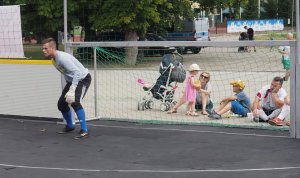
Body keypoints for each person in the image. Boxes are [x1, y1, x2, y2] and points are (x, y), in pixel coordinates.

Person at [42, 38, 91, 139]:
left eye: (45, 48)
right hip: (72, 81)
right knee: (62, 105)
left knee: (75, 102)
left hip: (82, 79)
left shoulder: (62, 58)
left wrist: (73, 89)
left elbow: (77, 72)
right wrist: (70, 86)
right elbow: (67, 72)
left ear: (52, 48)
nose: (43, 50)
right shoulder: (53, 59)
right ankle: (70, 126)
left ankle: (84, 131)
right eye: (43, 48)